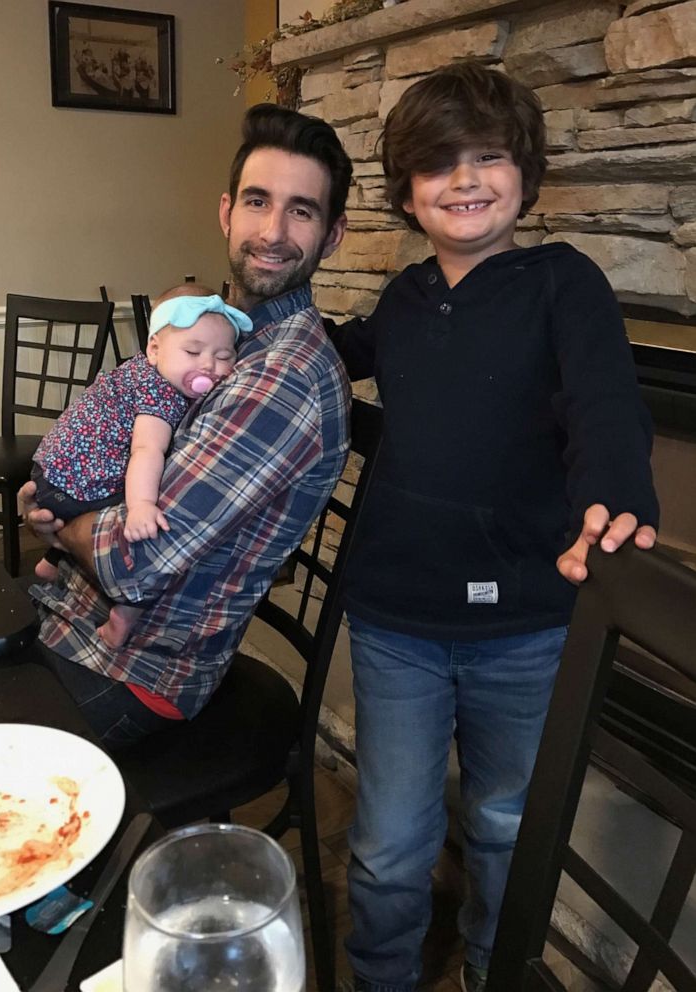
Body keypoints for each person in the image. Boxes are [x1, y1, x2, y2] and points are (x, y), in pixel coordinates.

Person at [327, 61, 659, 992]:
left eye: (487, 157)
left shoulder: (564, 284)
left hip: (527, 621)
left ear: (525, 171)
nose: (464, 180)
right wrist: (241, 332)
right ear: (404, 190)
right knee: (390, 840)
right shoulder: (400, 300)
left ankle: (489, 964)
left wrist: (616, 494)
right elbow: (331, 368)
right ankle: (381, 975)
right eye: (438, 164)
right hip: (397, 620)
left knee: (507, 821)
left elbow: (604, 404)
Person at [19, 103, 353, 747]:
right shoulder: (217, 335)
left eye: (302, 211)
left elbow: (131, 565)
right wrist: (62, 500)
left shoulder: (283, 377)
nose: (273, 230)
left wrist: (64, 526)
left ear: (332, 236)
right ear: (227, 212)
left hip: (130, 673)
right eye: (258, 202)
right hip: (75, 621)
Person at [31, 283, 247, 647]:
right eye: (193, 351)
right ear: (154, 349)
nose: (208, 365)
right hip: (78, 485)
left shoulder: (134, 372)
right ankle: (125, 614)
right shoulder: (160, 393)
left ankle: (50, 562)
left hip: (50, 474)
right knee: (150, 540)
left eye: (224, 356)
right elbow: (146, 451)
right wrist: (142, 507)